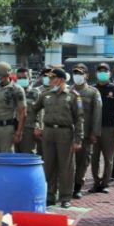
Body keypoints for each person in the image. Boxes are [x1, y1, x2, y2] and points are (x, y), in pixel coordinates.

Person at [30, 67, 83, 208]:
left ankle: (66, 197)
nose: (50, 80)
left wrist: (78, 139)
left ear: (60, 80)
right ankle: (50, 195)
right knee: (49, 165)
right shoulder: (46, 94)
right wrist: (36, 125)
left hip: (65, 133)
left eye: (52, 78)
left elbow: (79, 119)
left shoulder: (73, 95)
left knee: (66, 166)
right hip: (48, 132)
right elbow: (34, 109)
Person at [89, 63, 114, 194]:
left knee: (108, 158)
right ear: (96, 73)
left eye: (105, 71)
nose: (102, 73)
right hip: (94, 129)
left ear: (110, 73)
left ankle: (105, 183)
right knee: (94, 158)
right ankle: (96, 182)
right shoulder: (92, 89)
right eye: (99, 70)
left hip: (109, 128)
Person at [70, 65, 102, 199]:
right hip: (69, 134)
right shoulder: (67, 91)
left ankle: (77, 187)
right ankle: (68, 187)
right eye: (75, 73)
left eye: (80, 73)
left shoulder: (93, 92)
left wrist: (95, 132)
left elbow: (97, 113)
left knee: (83, 162)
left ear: (86, 75)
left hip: (86, 134)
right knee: (69, 163)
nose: (77, 76)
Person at [15, 67, 40, 155]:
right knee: (13, 156)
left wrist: (38, 127)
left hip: (28, 129)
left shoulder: (35, 93)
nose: (22, 80)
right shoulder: (12, 92)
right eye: (19, 78)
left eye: (24, 78)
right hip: (13, 128)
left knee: (27, 155)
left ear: (29, 79)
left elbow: (40, 111)